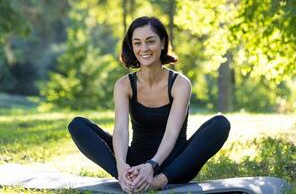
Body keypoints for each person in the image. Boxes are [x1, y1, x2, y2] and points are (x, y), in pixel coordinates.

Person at [68, 16, 230, 193]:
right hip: (136, 161)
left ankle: (157, 182)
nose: (144, 48)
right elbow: (121, 130)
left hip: (175, 166)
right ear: (132, 46)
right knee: (77, 125)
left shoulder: (180, 84)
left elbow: (172, 133)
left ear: (162, 43)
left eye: (150, 41)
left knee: (220, 124)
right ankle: (125, 179)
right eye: (137, 43)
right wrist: (121, 167)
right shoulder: (124, 85)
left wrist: (152, 166)